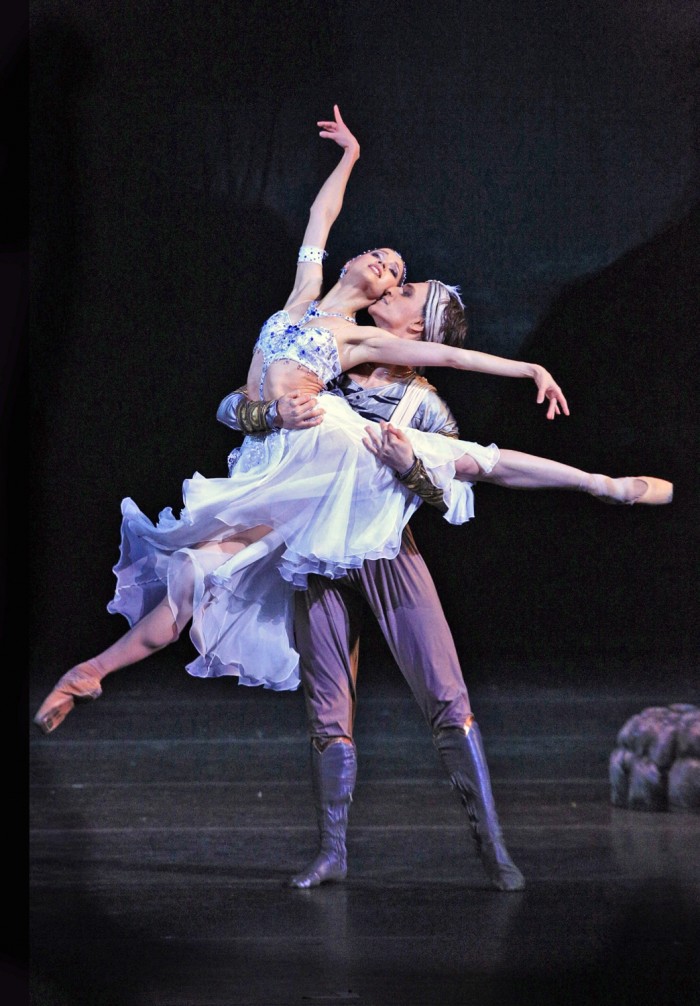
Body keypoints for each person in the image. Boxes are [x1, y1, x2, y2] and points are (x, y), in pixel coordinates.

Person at [33, 106, 672, 737]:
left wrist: (529, 368)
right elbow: (321, 217)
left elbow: (452, 356)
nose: (384, 266)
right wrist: (350, 156)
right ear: (349, 266)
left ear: (387, 298)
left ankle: (602, 484)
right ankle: (92, 671)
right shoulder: (302, 293)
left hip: (324, 444)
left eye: (394, 271)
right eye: (380, 257)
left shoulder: (358, 338)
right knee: (195, 570)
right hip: (270, 459)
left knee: (470, 459)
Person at [219, 299, 527, 892]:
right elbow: (233, 406)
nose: (390, 294)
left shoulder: (423, 404)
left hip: (385, 549)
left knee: (444, 690)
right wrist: (272, 413)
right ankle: (331, 850)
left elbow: (451, 489)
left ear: (418, 330)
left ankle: (493, 848)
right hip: (317, 546)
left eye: (407, 294)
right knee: (326, 704)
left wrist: (410, 466)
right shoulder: (328, 362)